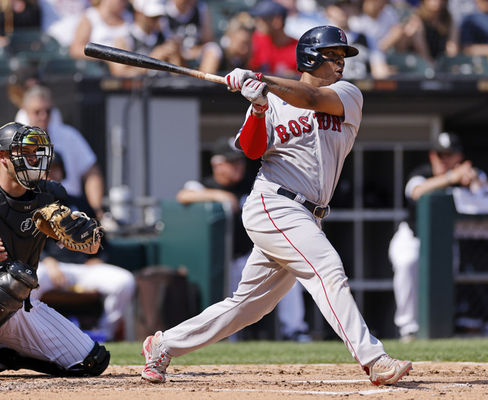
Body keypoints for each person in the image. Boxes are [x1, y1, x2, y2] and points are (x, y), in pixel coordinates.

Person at [140, 25, 412, 386]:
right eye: (333, 56)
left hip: (310, 215)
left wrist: (260, 79)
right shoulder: (273, 100)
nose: (340, 63)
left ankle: (164, 344)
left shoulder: (347, 94)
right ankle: (374, 359)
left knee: (249, 305)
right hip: (274, 202)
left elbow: (311, 100)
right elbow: (251, 150)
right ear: (311, 57)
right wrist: (257, 106)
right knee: (327, 268)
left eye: (342, 56)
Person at [0, 122, 109, 376]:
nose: (32, 160)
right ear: (3, 156)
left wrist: (82, 234)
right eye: (24, 154)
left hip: (21, 306)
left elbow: (92, 248)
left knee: (92, 361)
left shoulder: (49, 195)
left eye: (35, 153)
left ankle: (8, 355)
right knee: (10, 280)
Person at [176, 139, 311, 341]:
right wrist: (219, 195)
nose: (238, 166)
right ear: (217, 164)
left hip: (249, 253)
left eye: (240, 161)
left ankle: (295, 330)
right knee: (233, 299)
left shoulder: (251, 183)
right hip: (221, 260)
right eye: (232, 162)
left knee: (290, 277)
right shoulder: (203, 185)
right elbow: (183, 195)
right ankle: (231, 338)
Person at [388, 131, 488, 341]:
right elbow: (416, 192)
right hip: (412, 237)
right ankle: (408, 329)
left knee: (445, 280)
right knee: (407, 263)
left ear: (459, 157)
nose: (444, 159)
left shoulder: (468, 174)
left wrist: (473, 180)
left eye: (449, 155)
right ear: (432, 155)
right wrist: (451, 177)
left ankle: (439, 330)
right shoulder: (421, 173)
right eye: (440, 154)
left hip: (446, 241)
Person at [30, 152, 136, 342]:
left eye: (55, 169)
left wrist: (98, 258)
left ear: (62, 172)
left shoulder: (79, 202)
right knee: (28, 281)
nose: (51, 174)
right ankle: (36, 333)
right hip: (51, 268)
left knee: (124, 281)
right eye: (47, 170)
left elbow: (100, 236)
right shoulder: (31, 204)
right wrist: (47, 259)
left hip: (83, 268)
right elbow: (27, 241)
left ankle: (105, 334)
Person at [17, 85, 105, 221]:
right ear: (26, 111)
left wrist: (97, 210)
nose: (44, 116)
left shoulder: (69, 136)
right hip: (32, 206)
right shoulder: (15, 143)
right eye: (37, 111)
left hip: (71, 205)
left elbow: (92, 171)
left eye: (48, 111)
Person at [109, 0, 184, 77]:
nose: (156, 20)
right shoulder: (124, 39)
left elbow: (179, 76)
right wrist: (154, 59)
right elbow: (119, 75)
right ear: (138, 13)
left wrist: (176, 58)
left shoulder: (166, 36)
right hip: (139, 88)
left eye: (158, 16)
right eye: (152, 16)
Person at [323, 0, 391, 79]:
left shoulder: (365, 37)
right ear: (328, 11)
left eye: (347, 5)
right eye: (339, 6)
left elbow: (379, 67)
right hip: (334, 86)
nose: (344, 10)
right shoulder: (323, 38)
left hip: (363, 87)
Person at [381, 0, 459, 65]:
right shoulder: (415, 19)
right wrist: (432, 67)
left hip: (441, 64)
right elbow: (401, 48)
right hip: (420, 68)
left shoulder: (449, 20)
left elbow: (452, 50)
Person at [162, 0, 221, 72]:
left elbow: (207, 39)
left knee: (213, 48)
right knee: (172, 51)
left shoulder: (200, 8)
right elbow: (161, 41)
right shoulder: (163, 9)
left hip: (194, 52)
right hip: (173, 54)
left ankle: (205, 82)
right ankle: (177, 81)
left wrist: (192, 52)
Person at [248, 0, 299, 77]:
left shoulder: (298, 49)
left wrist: (293, 77)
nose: (257, 23)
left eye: (263, 19)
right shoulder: (255, 40)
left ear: (277, 21)